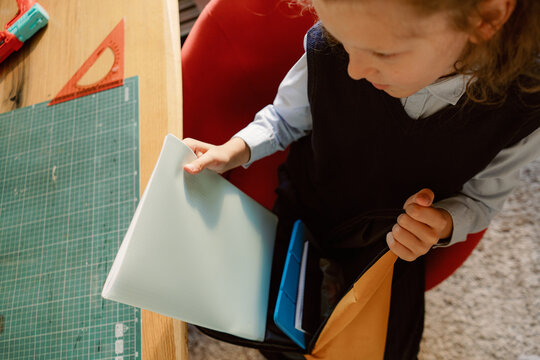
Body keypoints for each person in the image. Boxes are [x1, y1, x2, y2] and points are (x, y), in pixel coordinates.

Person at [183, 0, 540, 358]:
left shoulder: (523, 107)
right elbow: (285, 118)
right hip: (307, 208)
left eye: (383, 53)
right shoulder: (331, 49)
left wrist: (444, 222)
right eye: (342, 40)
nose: (353, 70)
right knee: (265, 328)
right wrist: (235, 149)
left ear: (487, 18)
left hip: (391, 252)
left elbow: (481, 200)